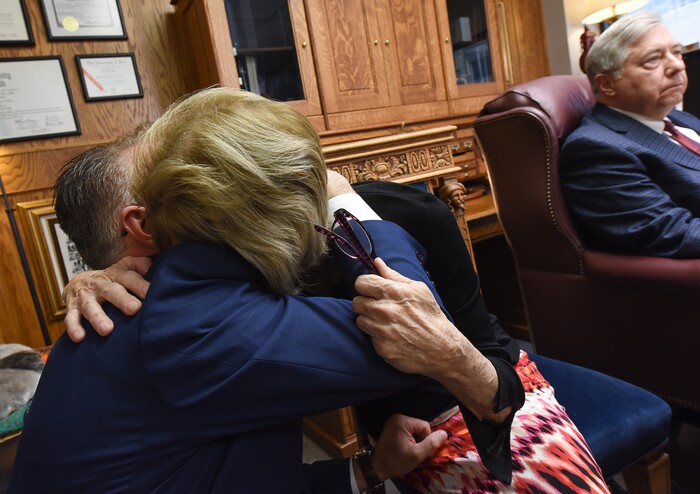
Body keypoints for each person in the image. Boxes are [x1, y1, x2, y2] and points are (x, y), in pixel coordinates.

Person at [49, 91, 609, 490]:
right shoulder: (198, 321)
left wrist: (366, 468)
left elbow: (234, 472)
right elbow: (419, 325)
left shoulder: (130, 310)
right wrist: (340, 194)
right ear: (143, 226)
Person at [560, 11, 700, 258]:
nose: (677, 65)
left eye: (676, 53)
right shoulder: (595, 151)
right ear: (607, 84)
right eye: (653, 59)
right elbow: (676, 233)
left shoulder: (676, 118)